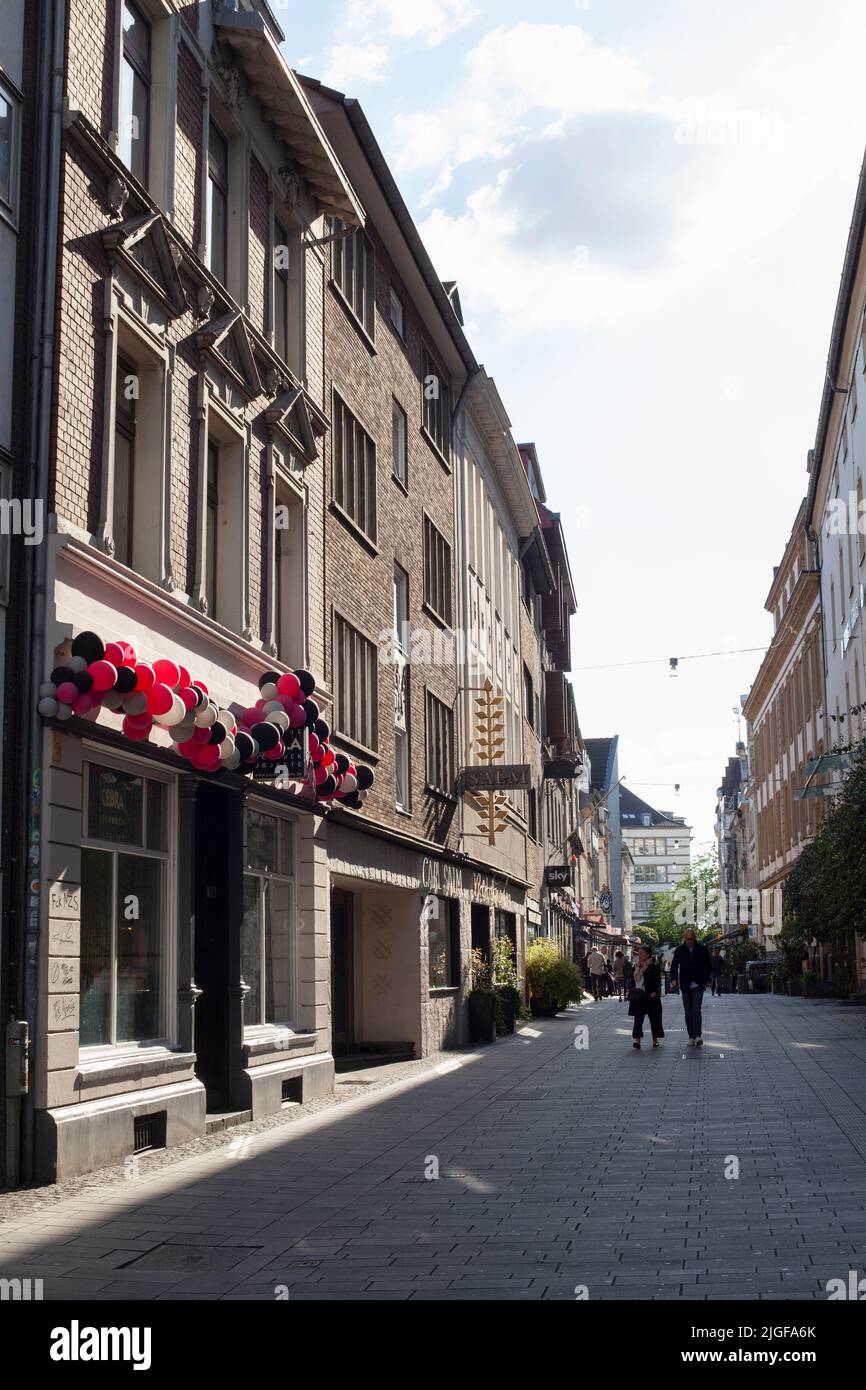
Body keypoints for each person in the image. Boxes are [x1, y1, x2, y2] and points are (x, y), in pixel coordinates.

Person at [670, 928, 712, 1047]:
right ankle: (691, 1036)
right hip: (685, 984)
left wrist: (705, 979)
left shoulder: (702, 949)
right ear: (685, 938)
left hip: (698, 983)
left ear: (695, 938)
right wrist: (673, 979)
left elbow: (708, 966)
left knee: (696, 1010)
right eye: (687, 939)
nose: (690, 941)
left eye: (691, 939)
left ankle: (698, 1036)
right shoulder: (680, 950)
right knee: (688, 1012)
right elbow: (674, 966)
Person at [629, 945, 664, 1049]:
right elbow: (633, 980)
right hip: (638, 995)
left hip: (650, 995)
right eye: (639, 953)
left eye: (642, 953)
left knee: (654, 1018)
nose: (639, 955)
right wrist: (631, 990)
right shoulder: (636, 966)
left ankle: (655, 1040)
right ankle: (637, 1041)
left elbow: (657, 981)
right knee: (638, 1019)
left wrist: (655, 992)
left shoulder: (653, 967)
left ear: (648, 954)